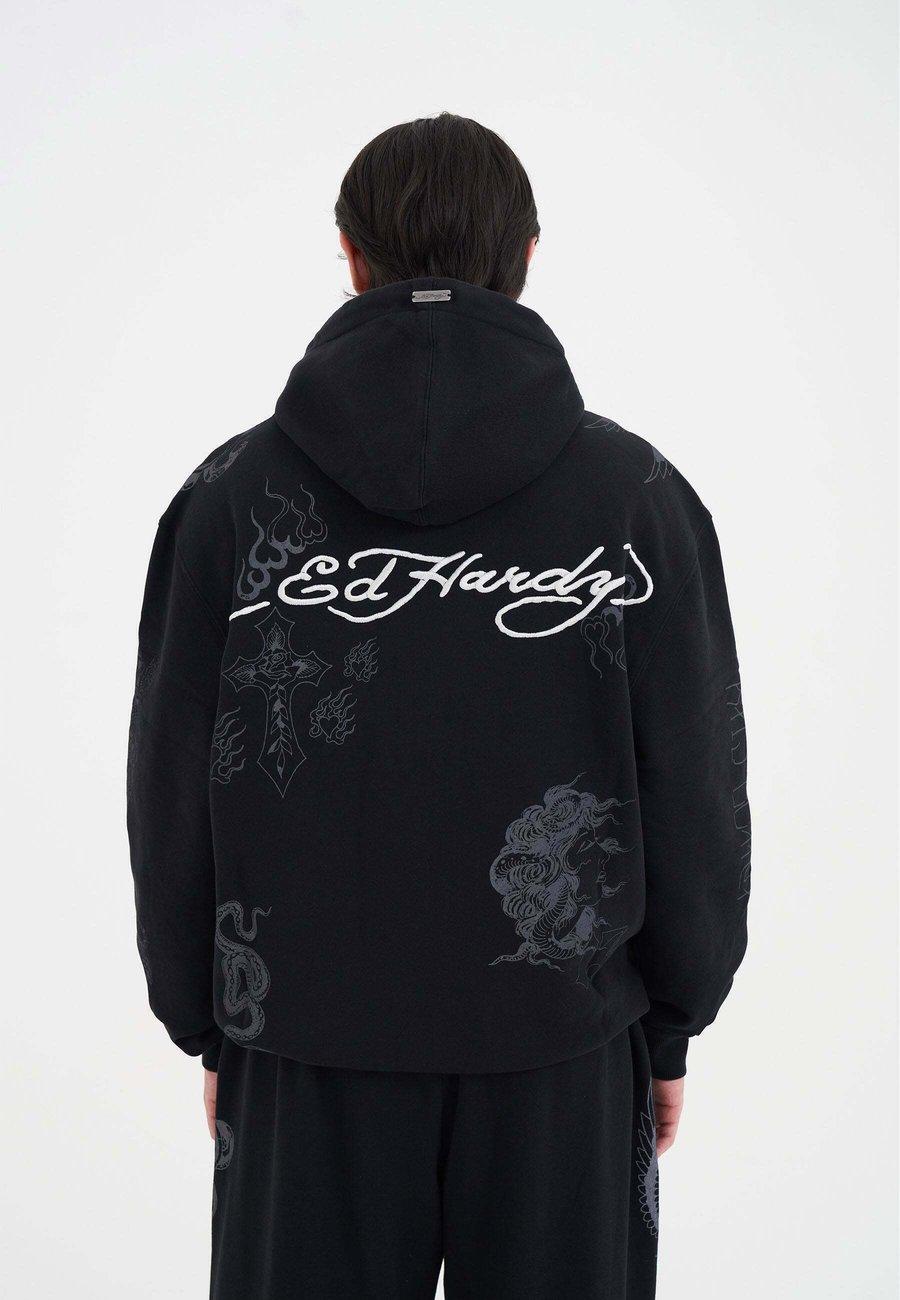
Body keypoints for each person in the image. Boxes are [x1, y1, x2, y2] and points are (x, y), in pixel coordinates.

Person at [127, 112, 750, 1299]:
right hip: (564, 1049)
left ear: (350, 255)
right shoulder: (638, 500)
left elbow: (168, 786)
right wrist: (672, 1022)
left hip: (302, 1050)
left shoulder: (230, 498)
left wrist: (209, 1019)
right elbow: (697, 785)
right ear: (527, 254)